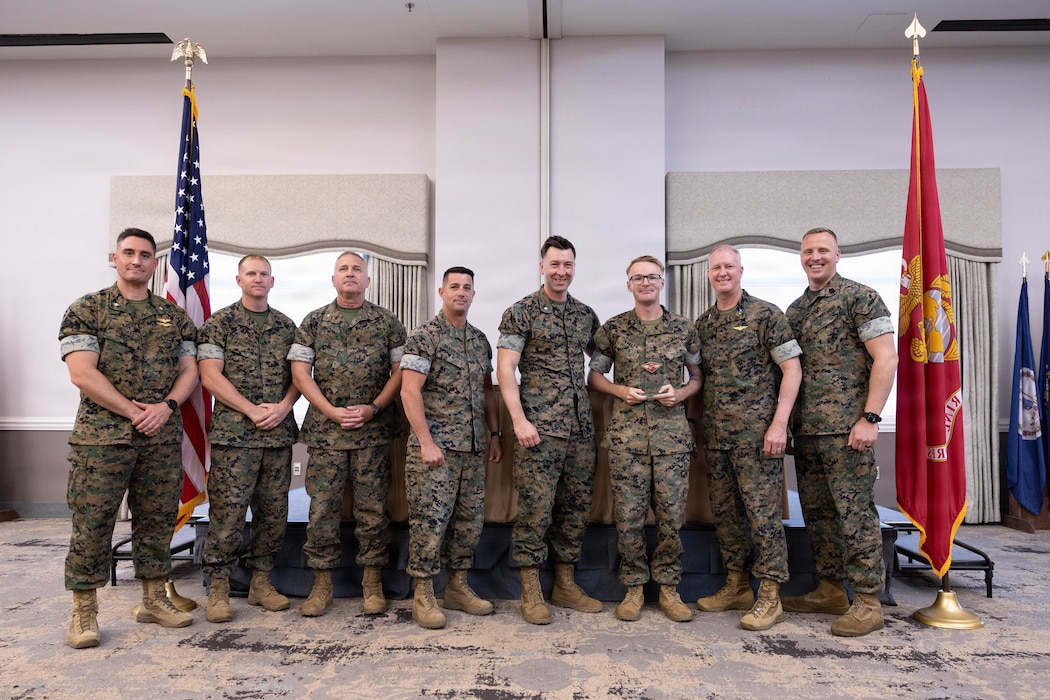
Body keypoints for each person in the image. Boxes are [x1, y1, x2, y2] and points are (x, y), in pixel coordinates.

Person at [58, 227, 199, 648]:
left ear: (156, 264)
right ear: (114, 258)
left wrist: (166, 408)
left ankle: (155, 599)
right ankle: (84, 612)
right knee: (93, 523)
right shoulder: (88, 309)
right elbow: (82, 372)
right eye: (129, 253)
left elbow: (189, 370)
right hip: (103, 439)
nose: (137, 260)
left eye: (145, 255)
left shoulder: (175, 317)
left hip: (161, 436)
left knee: (157, 522)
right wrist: (135, 411)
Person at [782, 227, 898, 637]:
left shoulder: (860, 298)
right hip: (809, 433)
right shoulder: (795, 310)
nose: (815, 257)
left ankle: (868, 600)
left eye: (823, 251)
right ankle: (830, 589)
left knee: (855, 516)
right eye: (808, 251)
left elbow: (887, 357)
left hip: (848, 430)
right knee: (819, 516)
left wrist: (870, 417)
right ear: (801, 256)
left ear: (838, 254)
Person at [289, 251, 406, 617]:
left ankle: (372, 583)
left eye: (357, 269)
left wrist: (373, 408)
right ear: (334, 279)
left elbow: (400, 372)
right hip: (326, 433)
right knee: (322, 509)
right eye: (344, 269)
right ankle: (321, 585)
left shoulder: (387, 322)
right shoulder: (313, 321)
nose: (350, 274)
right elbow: (300, 373)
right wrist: (330, 411)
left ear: (368, 280)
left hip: (372, 432)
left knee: (372, 509)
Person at [692, 244, 802, 631]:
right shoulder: (703, 324)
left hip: (758, 437)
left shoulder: (766, 314)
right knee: (726, 516)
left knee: (763, 516)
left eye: (729, 266)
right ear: (709, 274)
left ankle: (770, 595)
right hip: (717, 437)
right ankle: (737, 584)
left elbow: (792, 370)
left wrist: (778, 425)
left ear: (741, 270)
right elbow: (699, 380)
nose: (722, 272)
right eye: (716, 267)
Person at [588, 255, 702, 623]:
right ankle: (634, 588)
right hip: (628, 441)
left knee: (671, 518)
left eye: (652, 277)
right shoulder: (614, 329)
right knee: (629, 518)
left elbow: (698, 376)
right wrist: (619, 390)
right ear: (629, 285)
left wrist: (682, 394)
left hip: (671, 440)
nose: (645, 283)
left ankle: (669, 589)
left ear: (662, 282)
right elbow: (595, 378)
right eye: (638, 278)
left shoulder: (684, 329)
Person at [497, 235, 602, 624]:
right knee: (536, 511)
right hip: (538, 429)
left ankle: (565, 584)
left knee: (574, 509)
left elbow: (606, 357)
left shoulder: (584, 315)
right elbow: (505, 367)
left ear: (575, 268)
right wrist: (519, 419)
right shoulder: (521, 311)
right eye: (554, 264)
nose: (562, 271)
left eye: (568, 265)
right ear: (542, 266)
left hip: (580, 429)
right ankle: (531, 590)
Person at [197, 255, 300, 623]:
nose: (258, 279)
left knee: (274, 516)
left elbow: (299, 377)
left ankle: (261, 584)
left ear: (272, 281)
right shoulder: (218, 324)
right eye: (251, 274)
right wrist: (251, 409)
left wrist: (284, 407)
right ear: (238, 280)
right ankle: (219, 588)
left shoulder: (287, 326)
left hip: (277, 436)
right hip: (235, 437)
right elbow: (210, 376)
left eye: (264, 274)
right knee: (228, 514)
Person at [400, 267, 503, 629]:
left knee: (468, 523)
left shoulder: (479, 340)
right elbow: (409, 391)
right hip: (436, 449)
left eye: (467, 288)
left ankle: (457, 587)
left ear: (474, 294)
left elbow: (488, 390)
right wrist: (426, 442)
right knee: (430, 522)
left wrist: (495, 434)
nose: (461, 292)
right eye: (454, 287)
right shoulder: (424, 337)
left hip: (473, 449)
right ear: (441, 291)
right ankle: (424, 593)